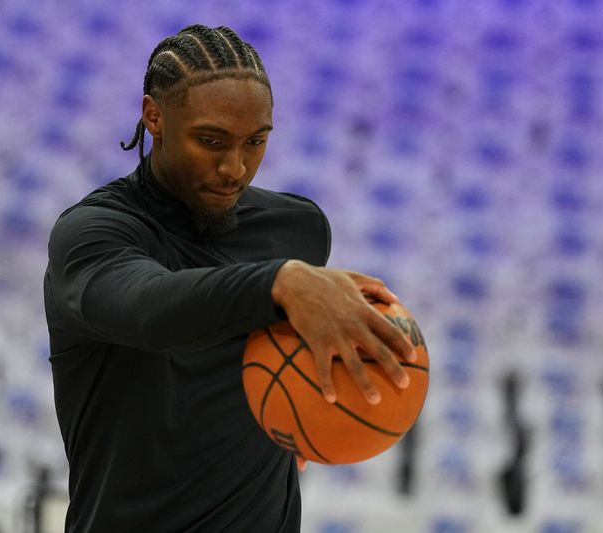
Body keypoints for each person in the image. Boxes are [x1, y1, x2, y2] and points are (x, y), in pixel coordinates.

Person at [43, 24, 416, 533]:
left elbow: (278, 371)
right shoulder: (92, 235)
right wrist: (279, 282)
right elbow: (151, 310)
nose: (235, 168)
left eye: (256, 141)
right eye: (211, 140)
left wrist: (314, 415)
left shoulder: (298, 229)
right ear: (154, 116)